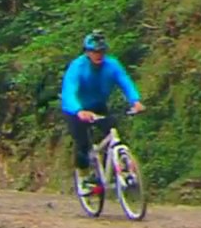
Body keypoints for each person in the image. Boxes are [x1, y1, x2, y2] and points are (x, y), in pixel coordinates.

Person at [60, 30, 145, 191]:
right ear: (87, 52)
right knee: (82, 143)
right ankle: (84, 177)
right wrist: (79, 111)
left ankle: (122, 168)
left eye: (101, 51)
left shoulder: (112, 65)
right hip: (76, 109)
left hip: (98, 106)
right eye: (94, 51)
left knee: (115, 133)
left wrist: (136, 101)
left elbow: (124, 81)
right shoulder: (78, 67)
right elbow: (69, 91)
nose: (98, 55)